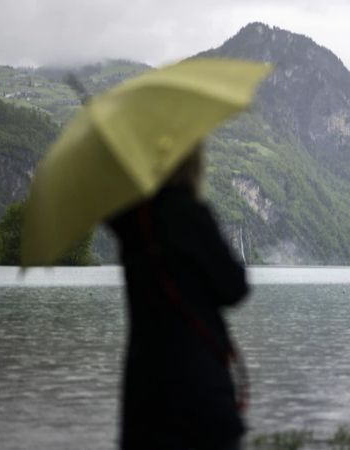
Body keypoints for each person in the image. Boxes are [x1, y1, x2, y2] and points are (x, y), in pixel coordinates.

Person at [107, 141, 249, 450]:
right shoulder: (188, 213)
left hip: (144, 398)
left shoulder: (130, 222)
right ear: (190, 165)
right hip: (200, 391)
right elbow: (234, 287)